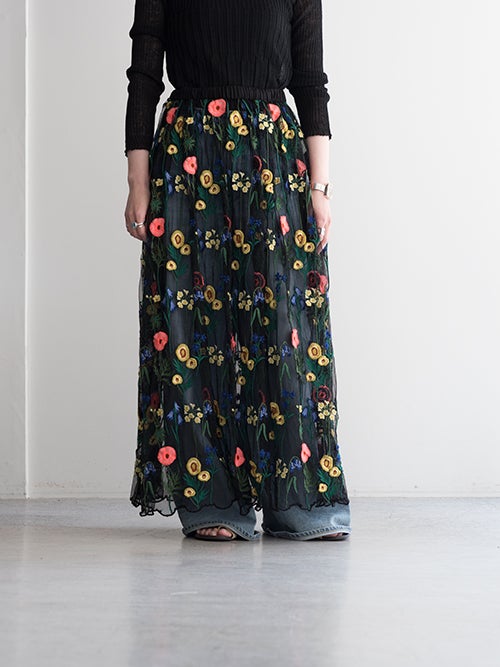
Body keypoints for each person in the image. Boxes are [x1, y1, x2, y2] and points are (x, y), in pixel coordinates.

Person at [124, 0, 352, 541]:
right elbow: (144, 74)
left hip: (271, 158)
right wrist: (137, 179)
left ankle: (295, 497)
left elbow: (311, 80)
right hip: (188, 157)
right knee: (193, 330)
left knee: (283, 327)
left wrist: (320, 186)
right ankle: (213, 500)